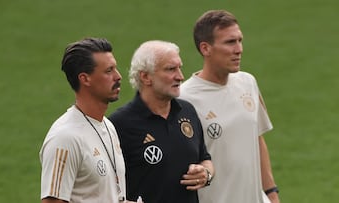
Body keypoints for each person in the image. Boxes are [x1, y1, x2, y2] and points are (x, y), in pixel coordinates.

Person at [179, 10, 280, 203]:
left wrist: (272, 193)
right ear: (205, 48)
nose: (239, 49)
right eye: (230, 42)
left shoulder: (248, 82)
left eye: (240, 40)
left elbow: (256, 138)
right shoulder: (184, 99)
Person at [109, 40, 214, 203]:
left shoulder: (187, 111)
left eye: (179, 67)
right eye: (171, 69)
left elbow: (205, 158)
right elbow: (104, 187)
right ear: (145, 77)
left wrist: (205, 174)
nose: (180, 76)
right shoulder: (119, 124)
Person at [39, 37, 135, 203]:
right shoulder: (65, 137)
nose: (118, 76)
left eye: (115, 69)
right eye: (108, 71)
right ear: (85, 79)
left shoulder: (108, 126)